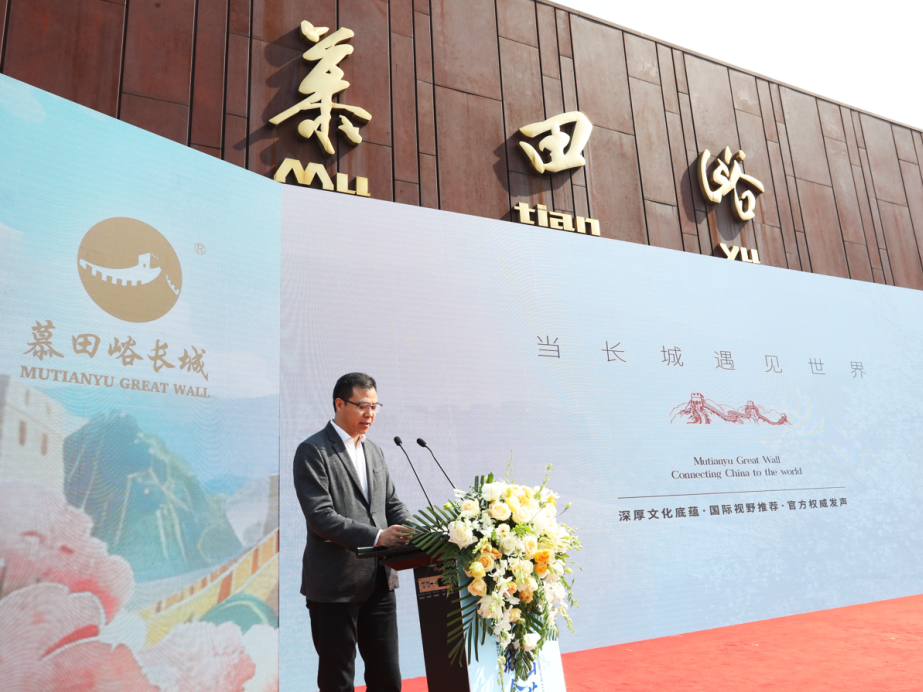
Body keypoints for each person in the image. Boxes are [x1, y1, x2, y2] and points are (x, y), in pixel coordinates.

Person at [293, 372, 413, 692]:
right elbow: (320, 517)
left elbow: (391, 503)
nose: (370, 414)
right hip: (336, 586)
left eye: (375, 406)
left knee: (388, 680)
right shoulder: (313, 450)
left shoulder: (374, 450)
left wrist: (415, 531)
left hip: (380, 582)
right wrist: (377, 537)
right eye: (362, 406)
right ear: (339, 404)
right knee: (338, 682)